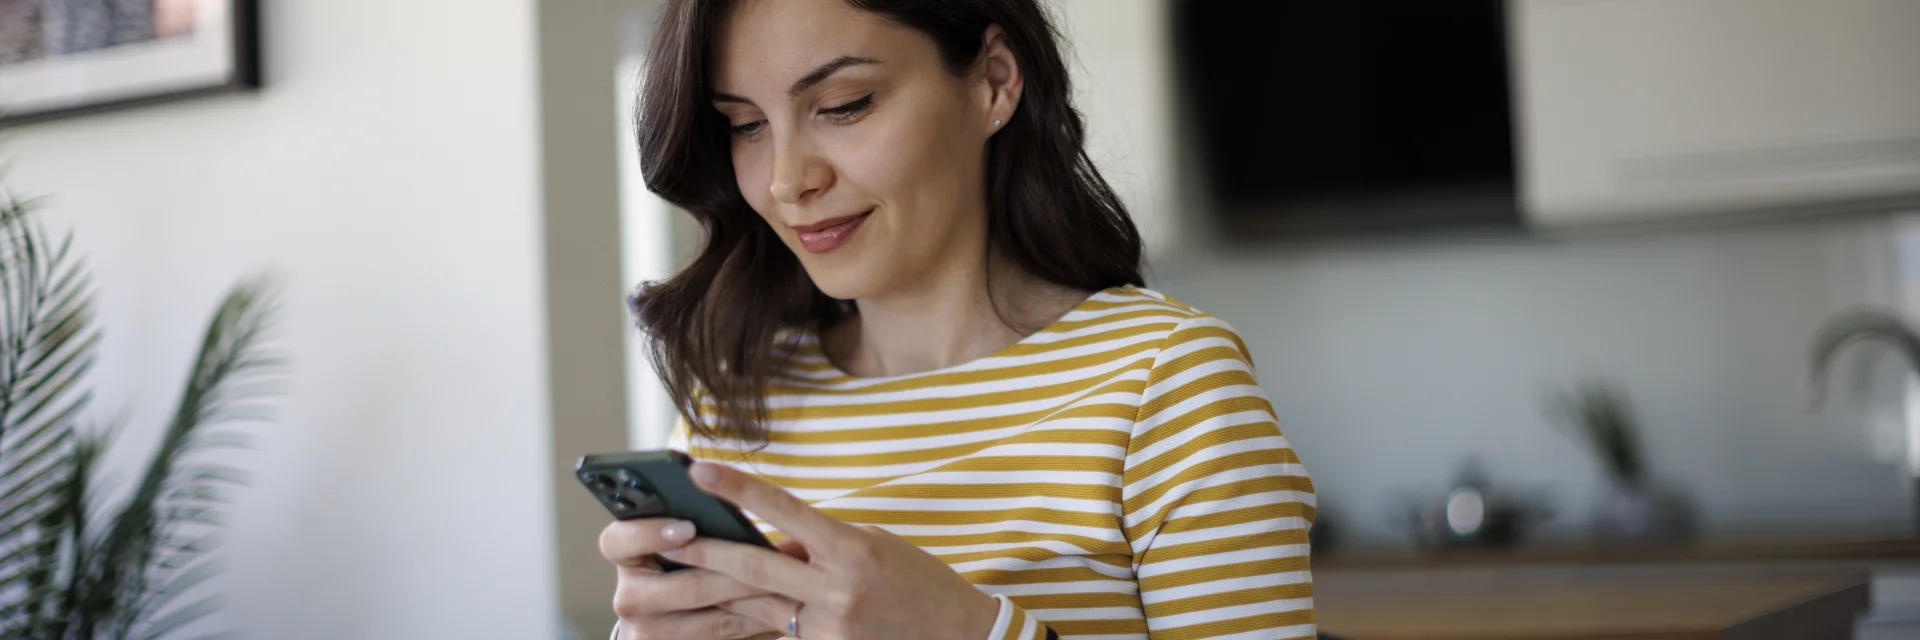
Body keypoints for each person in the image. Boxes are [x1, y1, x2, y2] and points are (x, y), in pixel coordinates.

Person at [600, 0, 1316, 638]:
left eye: (845, 104)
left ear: (994, 81)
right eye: (745, 125)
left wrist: (971, 630)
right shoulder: (736, 401)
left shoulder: (1167, 381)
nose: (788, 179)